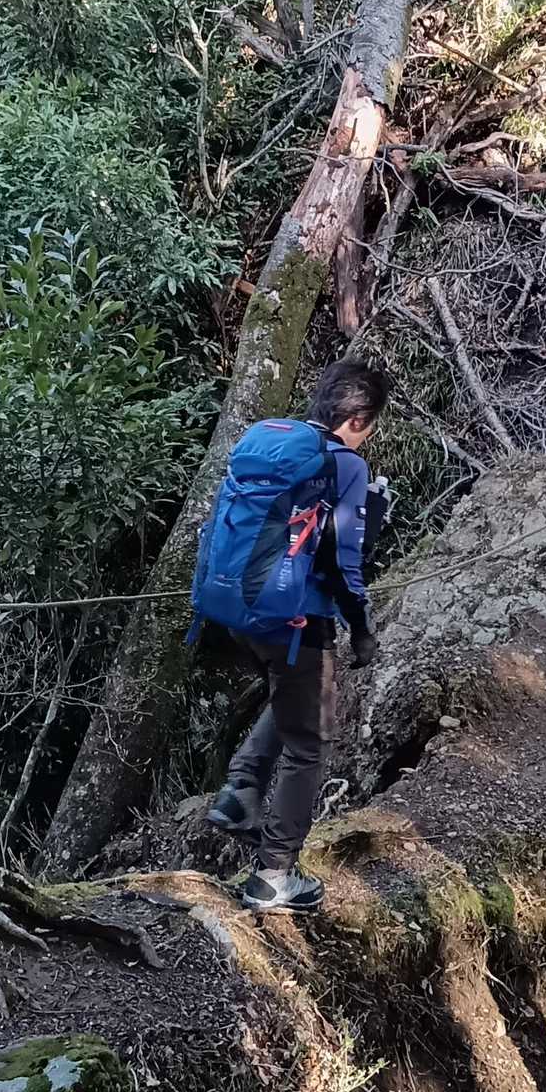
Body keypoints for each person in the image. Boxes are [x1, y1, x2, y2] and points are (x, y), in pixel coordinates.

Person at [207, 359, 391, 915]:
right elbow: (343, 560)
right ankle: (272, 877)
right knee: (310, 743)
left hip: (235, 610)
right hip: (296, 620)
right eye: (370, 425)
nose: (368, 435)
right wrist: (362, 628)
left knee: (293, 695)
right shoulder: (346, 465)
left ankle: (240, 792)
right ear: (357, 419)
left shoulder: (270, 441)